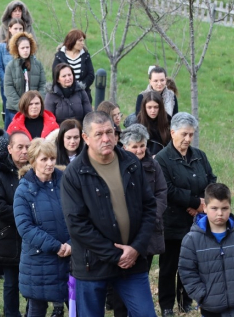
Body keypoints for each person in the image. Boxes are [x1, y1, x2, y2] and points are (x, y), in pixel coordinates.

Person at [60, 111, 157, 317]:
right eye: (99, 134)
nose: (106, 138)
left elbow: (149, 207)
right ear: (85, 138)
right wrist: (116, 255)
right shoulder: (74, 174)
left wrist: (136, 249)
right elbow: (77, 225)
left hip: (132, 262)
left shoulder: (131, 163)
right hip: (92, 265)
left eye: (109, 132)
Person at [155, 112, 217, 316]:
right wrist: (194, 202)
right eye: (184, 134)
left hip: (195, 222)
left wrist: (202, 203)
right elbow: (168, 189)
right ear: (173, 132)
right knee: (169, 266)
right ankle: (166, 306)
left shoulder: (199, 155)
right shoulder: (163, 159)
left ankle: (185, 301)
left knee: (190, 264)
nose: (188, 139)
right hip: (171, 222)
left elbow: (211, 181)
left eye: (191, 134)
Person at [13, 138, 71, 316]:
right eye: (44, 159)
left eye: (52, 158)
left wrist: (71, 243)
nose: (50, 163)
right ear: (33, 162)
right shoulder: (24, 190)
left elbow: (80, 216)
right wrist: (56, 246)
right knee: (37, 308)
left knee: (79, 307)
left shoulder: (67, 183)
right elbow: (25, 228)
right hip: (38, 262)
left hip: (70, 257)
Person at [115, 123, 168, 317]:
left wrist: (151, 217)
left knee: (142, 275)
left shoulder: (153, 165)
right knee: (122, 278)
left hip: (150, 230)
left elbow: (162, 192)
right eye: (134, 146)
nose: (139, 150)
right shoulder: (117, 164)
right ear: (125, 147)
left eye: (142, 145)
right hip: (124, 232)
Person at [0, 131, 31, 317]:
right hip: (7, 234)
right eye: (20, 147)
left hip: (31, 236)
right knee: (11, 282)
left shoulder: (35, 169)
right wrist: (24, 216)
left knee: (32, 281)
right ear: (9, 149)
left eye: (27, 147)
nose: (24, 151)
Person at [179, 183, 234, 317]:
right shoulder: (192, 240)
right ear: (204, 208)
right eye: (214, 208)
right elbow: (187, 272)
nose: (220, 213)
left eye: (224, 208)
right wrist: (202, 296)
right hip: (211, 308)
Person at [4, 31, 46, 128]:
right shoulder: (10, 66)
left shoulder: (38, 65)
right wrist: (22, 106)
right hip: (15, 110)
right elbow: (8, 88)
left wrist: (36, 104)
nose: (25, 50)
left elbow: (43, 85)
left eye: (27, 47)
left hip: (35, 110)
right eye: (22, 48)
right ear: (17, 49)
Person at [52, 29, 95, 103]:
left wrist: (79, 87)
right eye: (80, 41)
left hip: (83, 96)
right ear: (72, 41)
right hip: (63, 96)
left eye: (83, 40)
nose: (83, 43)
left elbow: (91, 75)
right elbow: (55, 75)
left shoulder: (85, 56)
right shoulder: (59, 56)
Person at [0, 19, 25, 116]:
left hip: (23, 85)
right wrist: (7, 81)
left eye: (20, 28)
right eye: (15, 28)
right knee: (10, 113)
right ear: (10, 29)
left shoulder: (26, 47)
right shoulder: (2, 47)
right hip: (7, 85)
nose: (18, 31)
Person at [136, 91, 171, 156]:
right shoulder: (137, 123)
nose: (153, 111)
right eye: (149, 107)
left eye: (156, 107)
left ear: (160, 107)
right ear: (144, 108)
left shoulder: (168, 121)